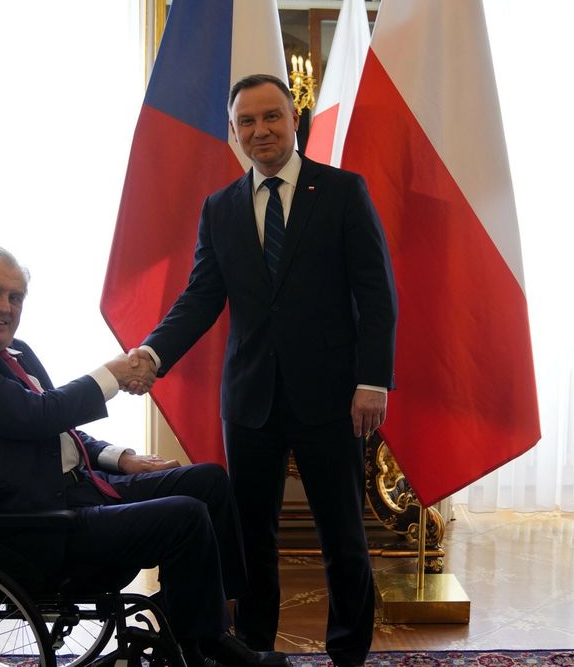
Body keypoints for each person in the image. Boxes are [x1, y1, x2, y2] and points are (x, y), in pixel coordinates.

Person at [0, 246, 288, 667]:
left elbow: (55, 427)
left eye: (16, 298)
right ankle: (202, 641)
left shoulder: (16, 352)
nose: (5, 307)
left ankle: (208, 623)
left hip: (77, 492)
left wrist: (121, 458)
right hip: (27, 526)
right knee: (185, 516)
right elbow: (38, 416)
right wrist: (111, 375)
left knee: (209, 481)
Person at [130, 74, 398, 666]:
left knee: (343, 537)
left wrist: (372, 380)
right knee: (252, 539)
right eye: (246, 122)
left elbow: (376, 294)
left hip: (334, 397)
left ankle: (348, 653)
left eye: (271, 117)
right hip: (250, 399)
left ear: (293, 119)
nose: (260, 131)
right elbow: (201, 297)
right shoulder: (219, 208)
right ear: (233, 132)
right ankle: (254, 650)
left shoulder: (342, 192)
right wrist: (152, 353)